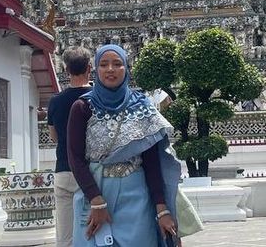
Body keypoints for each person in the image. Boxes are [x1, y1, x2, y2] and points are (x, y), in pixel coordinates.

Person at [67, 44, 180, 247]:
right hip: (95, 194)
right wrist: (96, 200)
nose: (110, 69)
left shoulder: (141, 106)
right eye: (104, 64)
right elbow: (75, 157)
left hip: (137, 199)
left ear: (126, 68)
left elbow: (152, 162)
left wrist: (162, 210)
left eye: (117, 64)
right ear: (95, 69)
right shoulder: (82, 107)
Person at [48, 46, 92, 247]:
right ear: (89, 68)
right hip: (92, 171)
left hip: (64, 169)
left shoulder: (56, 101)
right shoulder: (98, 98)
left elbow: (54, 136)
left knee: (65, 237)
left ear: (66, 70)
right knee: (93, 231)